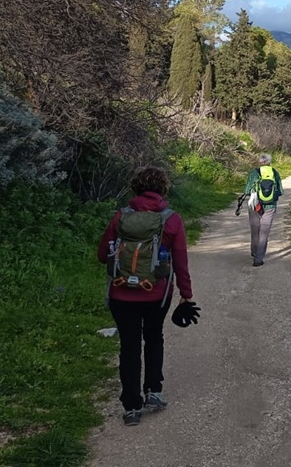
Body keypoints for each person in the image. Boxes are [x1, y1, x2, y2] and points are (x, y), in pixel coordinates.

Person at [97, 166, 194, 426]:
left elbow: (101, 255)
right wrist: (187, 295)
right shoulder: (171, 219)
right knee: (153, 338)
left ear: (136, 187)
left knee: (129, 346)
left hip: (120, 292)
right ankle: (153, 391)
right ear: (163, 188)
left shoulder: (121, 217)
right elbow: (181, 262)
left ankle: (131, 407)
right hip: (156, 293)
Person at [244, 153, 284, 267]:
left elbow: (247, 190)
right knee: (264, 233)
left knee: (255, 230)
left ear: (260, 162)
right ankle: (258, 258)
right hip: (270, 206)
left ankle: (254, 251)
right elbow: (280, 191)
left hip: (254, 205)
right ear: (270, 162)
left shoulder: (253, 173)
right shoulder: (274, 173)